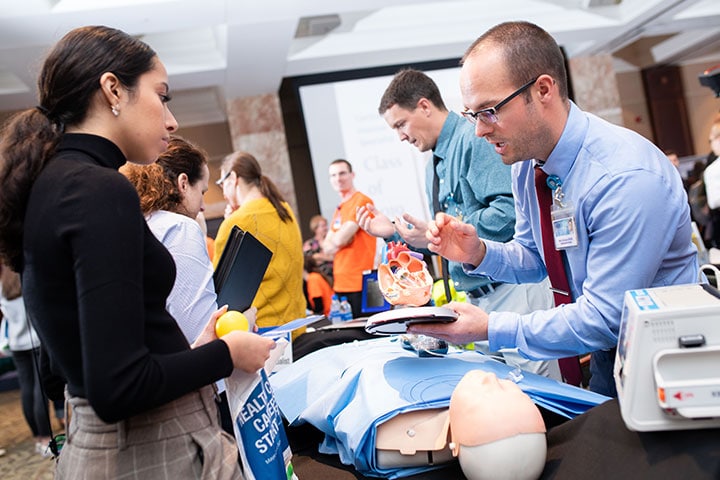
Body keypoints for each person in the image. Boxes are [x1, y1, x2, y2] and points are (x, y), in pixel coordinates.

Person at [0, 25, 275, 478]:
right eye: (161, 96)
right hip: (147, 450)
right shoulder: (97, 189)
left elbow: (71, 365)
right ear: (113, 90)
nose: (172, 120)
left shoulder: (59, 184)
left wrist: (194, 350)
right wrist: (228, 353)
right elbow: (118, 387)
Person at [415, 21, 698, 397]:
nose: (480, 131)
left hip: (669, 358)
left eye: (489, 111)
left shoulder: (625, 177)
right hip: (606, 351)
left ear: (543, 89)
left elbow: (604, 316)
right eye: (472, 115)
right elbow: (536, 256)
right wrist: (479, 252)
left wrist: (491, 328)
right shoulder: (526, 163)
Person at [357, 68, 557, 379]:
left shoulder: (473, 139)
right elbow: (447, 241)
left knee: (541, 400)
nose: (400, 136)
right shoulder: (432, 166)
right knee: (504, 402)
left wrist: (447, 232)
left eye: (401, 124)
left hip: (513, 291)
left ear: (424, 106)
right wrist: (395, 232)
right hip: (479, 298)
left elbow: (508, 212)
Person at [120, 136, 250, 437]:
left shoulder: (136, 223)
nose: (204, 204)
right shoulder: (178, 228)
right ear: (182, 183)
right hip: (195, 398)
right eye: (202, 191)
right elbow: (197, 329)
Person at [214, 151, 305, 334]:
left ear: (233, 178)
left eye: (222, 184)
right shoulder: (284, 209)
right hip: (296, 329)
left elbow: (219, 295)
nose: (223, 192)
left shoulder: (235, 223)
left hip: (261, 336)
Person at [0, 264, 53, 458]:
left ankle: (38, 438)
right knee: (40, 391)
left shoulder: (2, 287)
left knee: (27, 390)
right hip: (36, 341)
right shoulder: (27, 280)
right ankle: (46, 438)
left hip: (16, 343)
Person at [323, 159, 378, 318]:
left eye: (342, 173)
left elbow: (339, 240)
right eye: (333, 175)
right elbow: (326, 246)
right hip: (341, 282)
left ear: (352, 175)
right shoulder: (340, 208)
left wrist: (339, 240)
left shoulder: (361, 201)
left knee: (366, 334)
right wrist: (340, 239)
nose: (338, 178)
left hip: (360, 282)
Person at [303, 214, 334, 283]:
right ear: (315, 228)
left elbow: (336, 256)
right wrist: (328, 257)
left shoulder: (332, 240)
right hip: (321, 279)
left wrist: (319, 256)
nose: (326, 228)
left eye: (326, 225)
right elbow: (308, 260)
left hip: (336, 275)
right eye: (323, 226)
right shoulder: (309, 244)